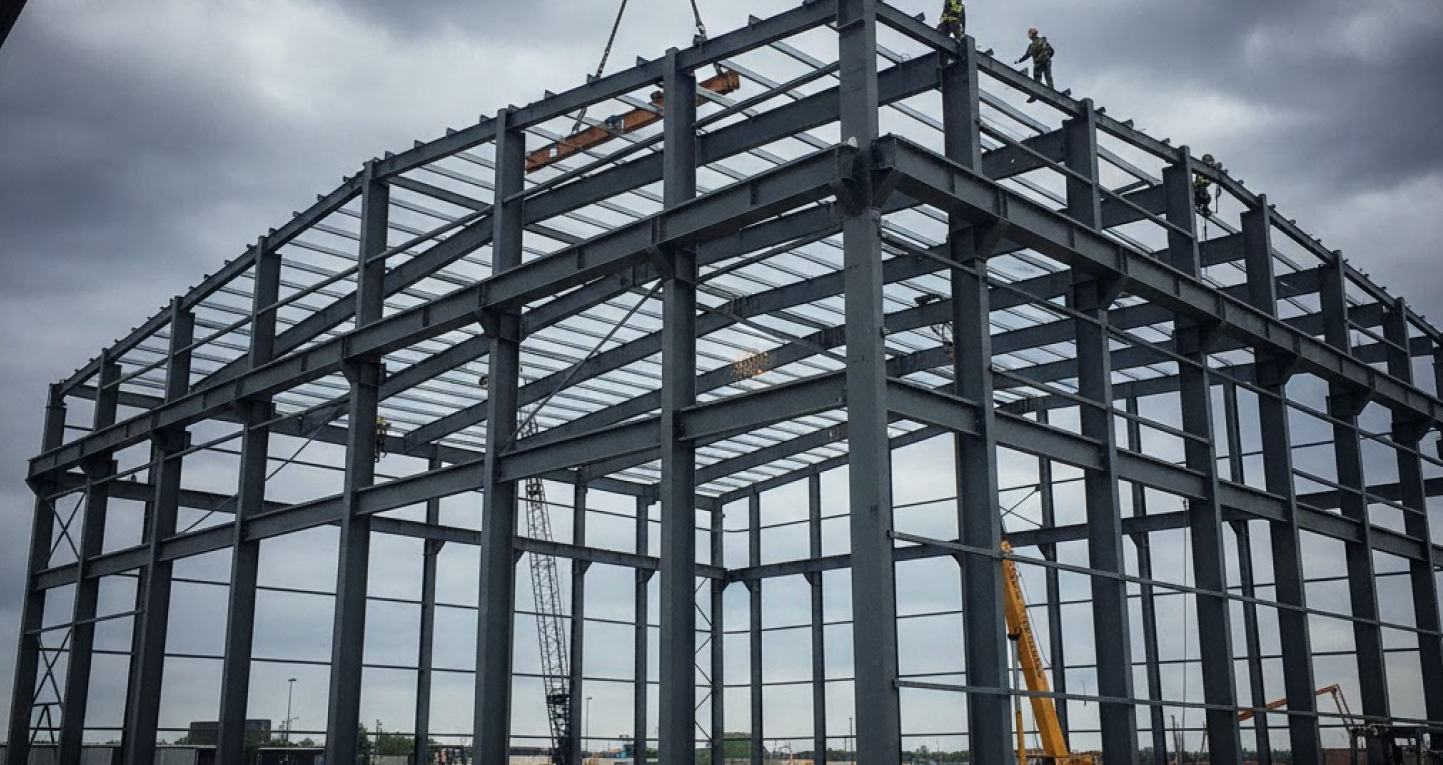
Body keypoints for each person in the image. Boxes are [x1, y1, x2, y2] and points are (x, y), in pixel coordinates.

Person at [1015, 27, 1054, 102]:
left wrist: (1019, 61)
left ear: (1030, 35)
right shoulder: (1043, 41)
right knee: (1048, 77)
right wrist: (1047, 57)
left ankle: (1035, 95)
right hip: (1046, 61)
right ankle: (1052, 93)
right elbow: (1052, 51)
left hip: (1038, 64)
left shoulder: (1032, 46)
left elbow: (1026, 56)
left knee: (1037, 80)